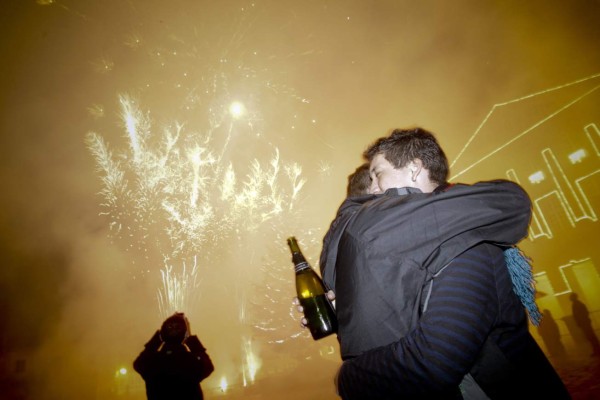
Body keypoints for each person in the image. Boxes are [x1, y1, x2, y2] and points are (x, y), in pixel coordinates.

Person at [330, 128, 570, 399]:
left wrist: (348, 377)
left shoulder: (466, 249)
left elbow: (433, 363)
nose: (372, 189)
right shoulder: (423, 246)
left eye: (378, 174)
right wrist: (350, 305)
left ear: (414, 169)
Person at [134, 312, 215, 400]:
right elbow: (208, 367)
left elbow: (138, 364)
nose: (173, 330)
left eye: (177, 327)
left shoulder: (154, 361)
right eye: (170, 327)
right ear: (184, 333)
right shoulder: (190, 361)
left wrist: (156, 340)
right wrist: (191, 340)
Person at [569, 292, 600, 356]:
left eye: (571, 297)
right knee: (591, 336)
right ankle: (596, 349)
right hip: (585, 322)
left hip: (584, 323)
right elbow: (585, 312)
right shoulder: (578, 303)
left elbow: (578, 314)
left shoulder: (576, 304)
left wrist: (580, 322)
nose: (570, 298)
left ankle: (597, 350)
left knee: (590, 337)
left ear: (573, 297)